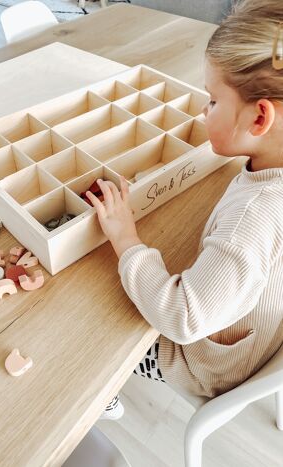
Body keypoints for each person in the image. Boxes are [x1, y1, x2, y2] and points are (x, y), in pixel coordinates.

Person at [85, 0, 283, 420]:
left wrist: (124, 236)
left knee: (88, 332)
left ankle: (101, 397)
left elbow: (181, 317)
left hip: (205, 364)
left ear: (260, 118)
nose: (202, 109)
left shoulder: (254, 217)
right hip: (257, 336)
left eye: (212, 100)